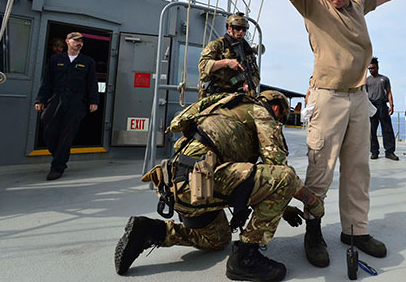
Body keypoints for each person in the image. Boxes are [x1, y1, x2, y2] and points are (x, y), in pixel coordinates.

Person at [221, 0, 406, 267]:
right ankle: (314, 229)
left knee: (358, 169)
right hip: (327, 98)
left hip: (358, 99)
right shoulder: (313, 4)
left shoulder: (358, 5)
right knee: (320, 170)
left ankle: (355, 229)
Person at [114, 90, 324, 282]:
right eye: (280, 119)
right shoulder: (261, 112)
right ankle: (245, 258)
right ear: (276, 107)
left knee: (217, 240)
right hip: (200, 183)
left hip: (179, 188)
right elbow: (279, 169)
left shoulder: (225, 108)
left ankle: (150, 231)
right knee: (286, 177)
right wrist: (312, 204)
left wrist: (281, 207)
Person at [34, 32, 98, 180]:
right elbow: (46, 82)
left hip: (76, 101)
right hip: (56, 98)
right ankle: (58, 155)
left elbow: (92, 83)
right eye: (75, 40)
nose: (79, 43)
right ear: (67, 41)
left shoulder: (87, 62)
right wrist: (40, 100)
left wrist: (93, 101)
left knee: (67, 134)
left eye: (81, 41)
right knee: (48, 129)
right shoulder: (56, 60)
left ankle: (57, 167)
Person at [198, 12, 260, 98]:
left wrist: (252, 82)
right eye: (238, 28)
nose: (241, 32)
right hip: (217, 95)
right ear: (229, 28)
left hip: (239, 95)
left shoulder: (247, 50)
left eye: (244, 29)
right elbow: (203, 65)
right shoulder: (218, 45)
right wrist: (226, 62)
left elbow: (256, 74)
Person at [366, 57, 398, 160]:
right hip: (371, 105)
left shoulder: (384, 79)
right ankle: (374, 151)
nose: (371, 70)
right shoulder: (367, 81)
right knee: (371, 130)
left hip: (382, 105)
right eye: (369, 68)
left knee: (387, 129)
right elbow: (364, 94)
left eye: (372, 68)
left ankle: (389, 152)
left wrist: (392, 106)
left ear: (377, 68)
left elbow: (389, 92)